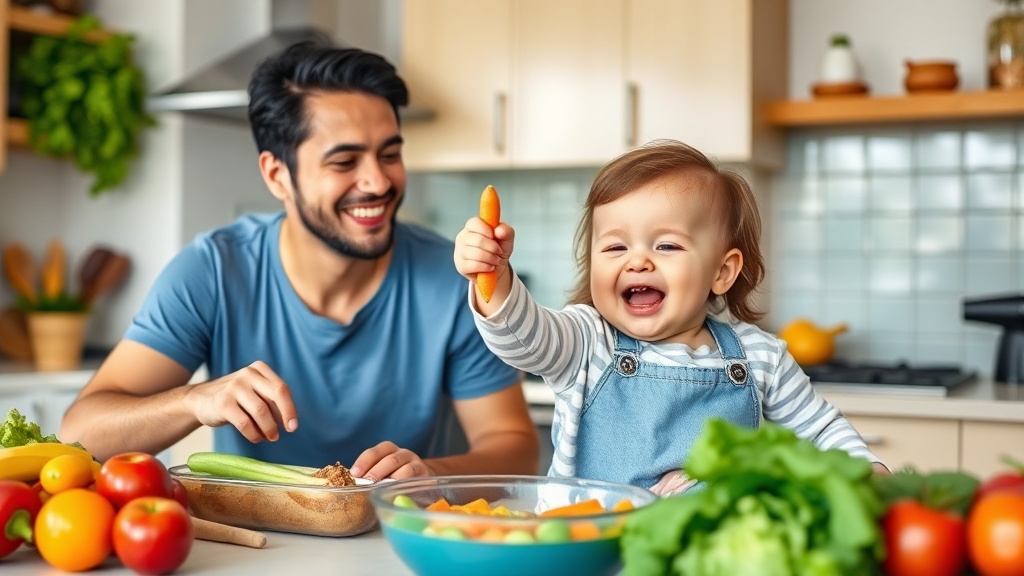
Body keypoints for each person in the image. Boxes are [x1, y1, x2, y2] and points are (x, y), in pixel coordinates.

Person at [61, 40, 539, 481]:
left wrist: (428, 475)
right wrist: (194, 400)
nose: (378, 181)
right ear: (277, 175)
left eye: (389, 154)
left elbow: (514, 446)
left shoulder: (451, 278)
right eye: (344, 162)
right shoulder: (212, 270)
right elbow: (80, 433)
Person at [454, 139, 887, 495]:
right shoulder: (586, 342)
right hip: (594, 554)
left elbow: (821, 428)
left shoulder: (760, 357)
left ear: (721, 272)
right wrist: (497, 279)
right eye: (615, 247)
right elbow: (523, 338)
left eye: (666, 246)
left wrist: (868, 472)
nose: (638, 261)